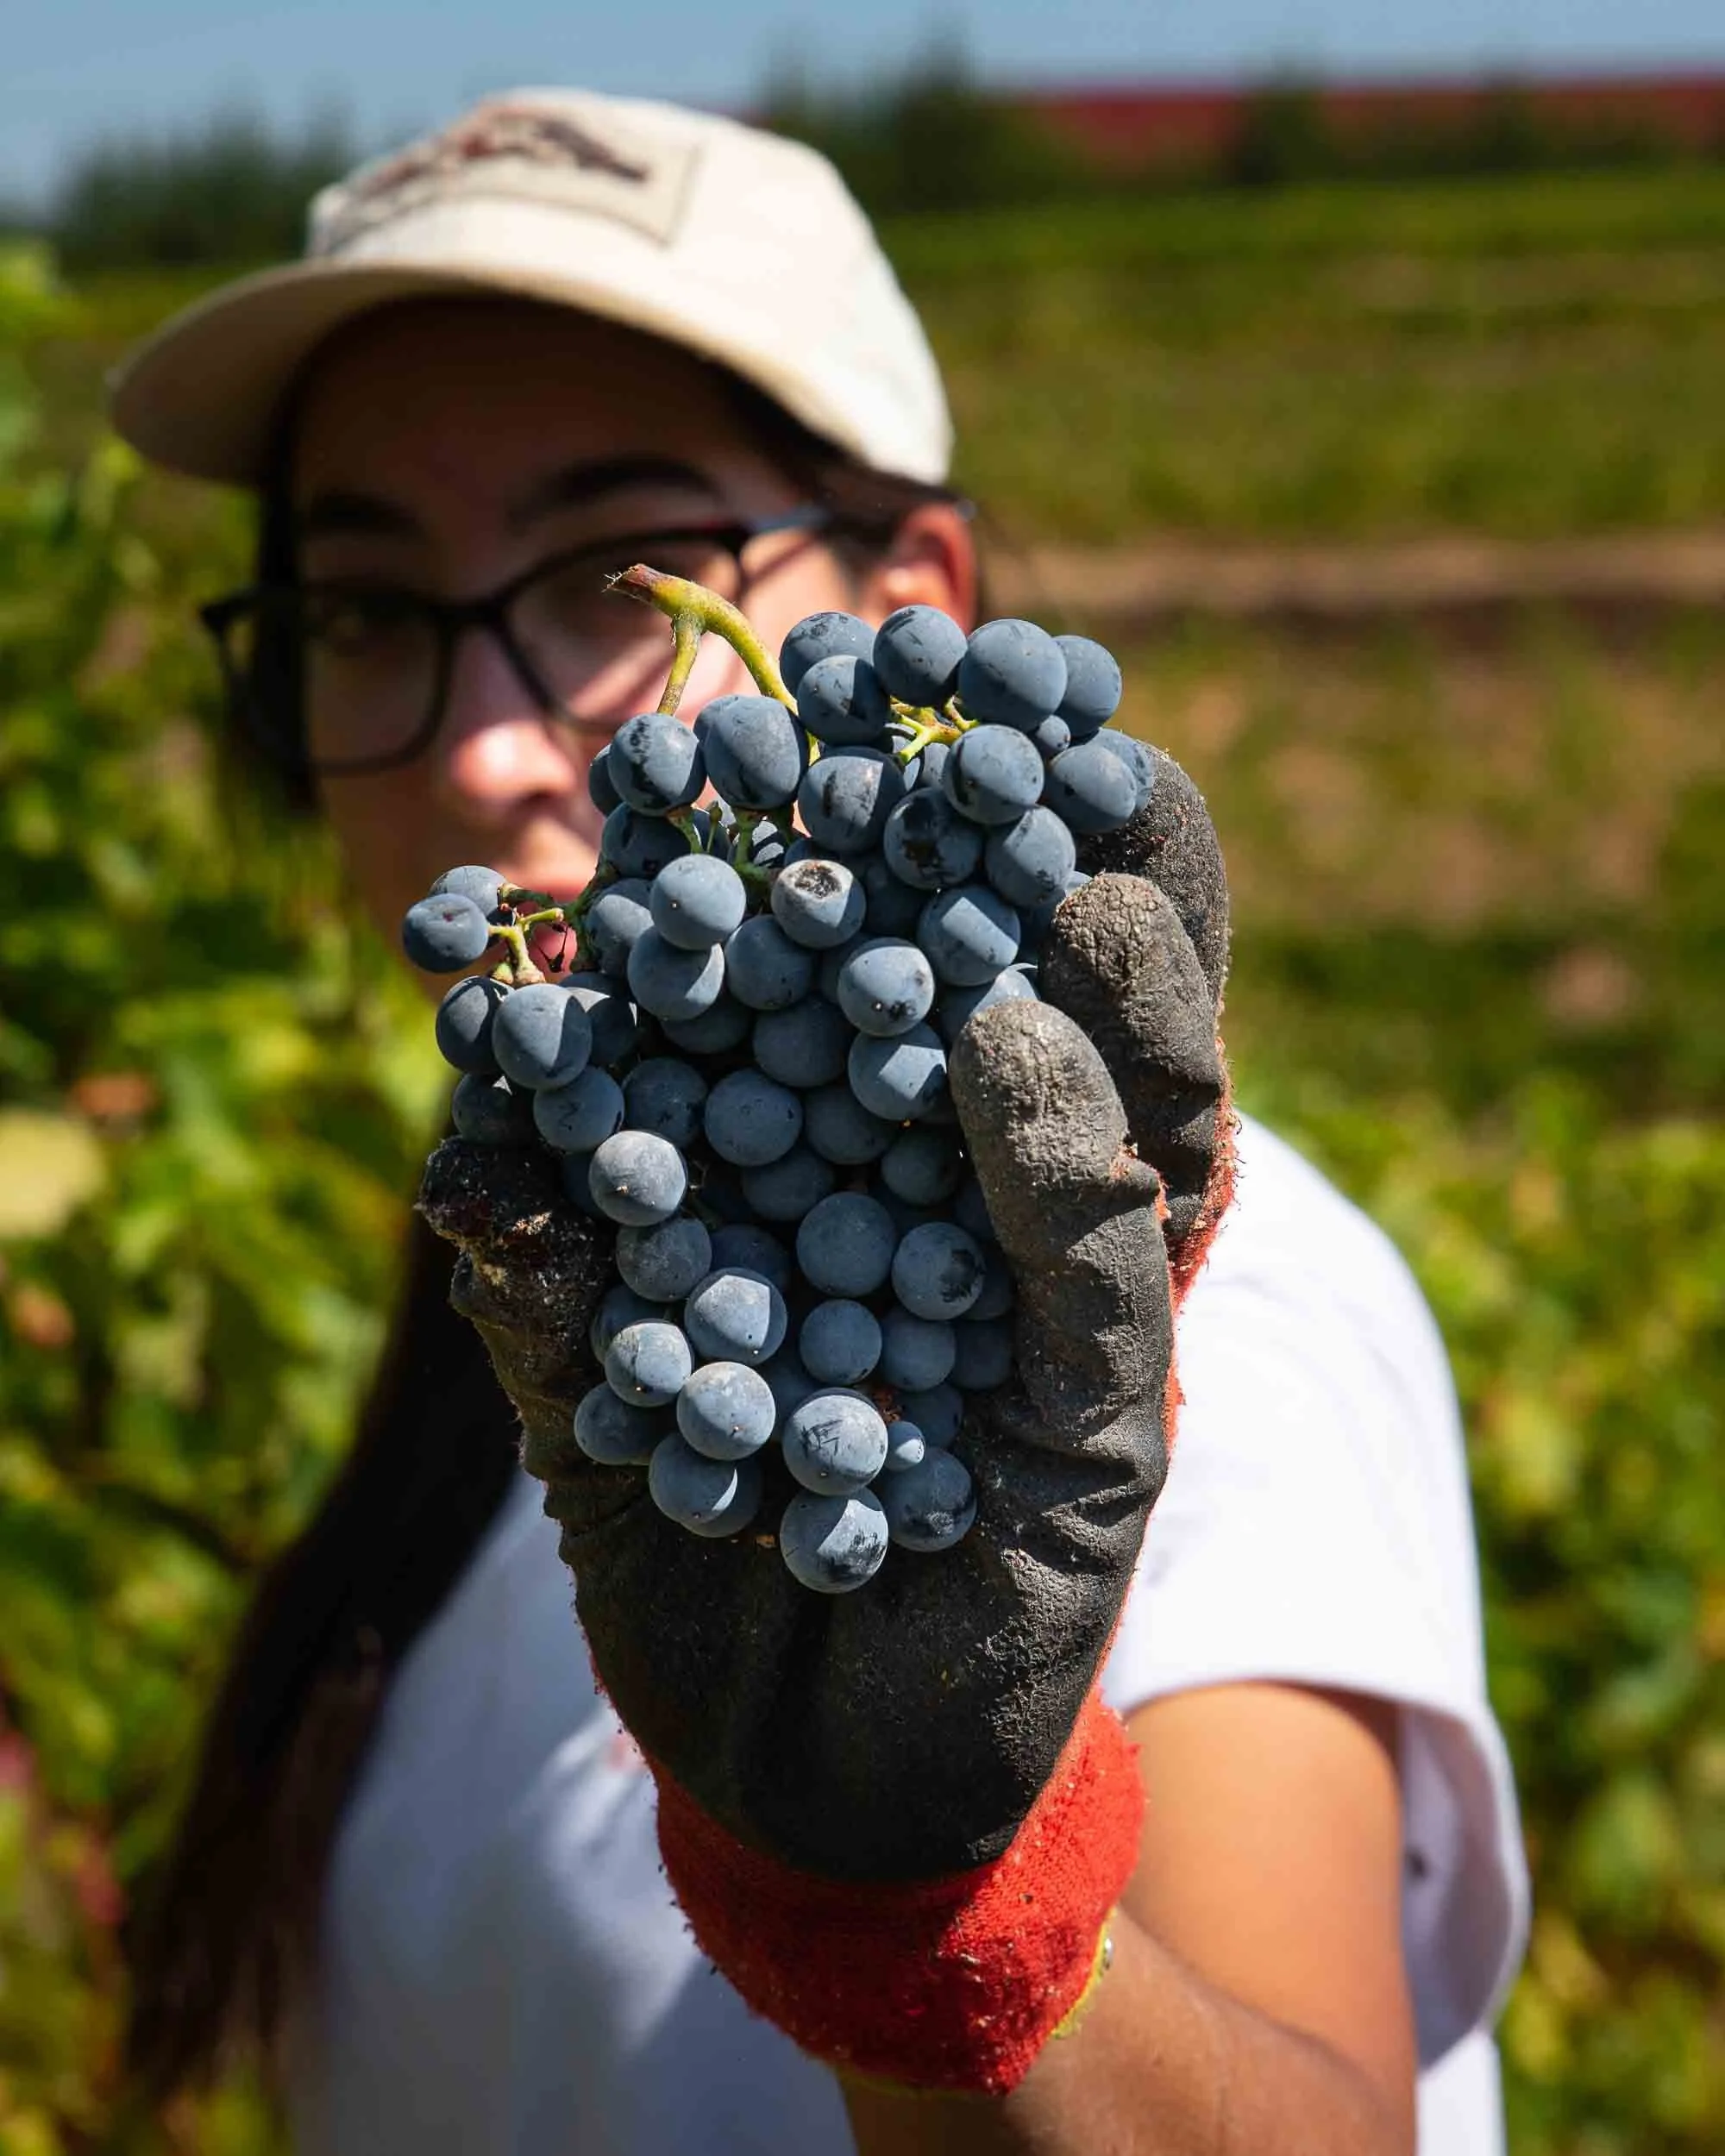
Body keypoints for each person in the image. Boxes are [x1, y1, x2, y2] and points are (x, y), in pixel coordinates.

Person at [110, 88, 1527, 2155]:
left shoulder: (1176, 1313)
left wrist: (935, 1914)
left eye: (618, 571)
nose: (493, 734)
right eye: (367, 609)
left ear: (909, 602)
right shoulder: (591, 1260)